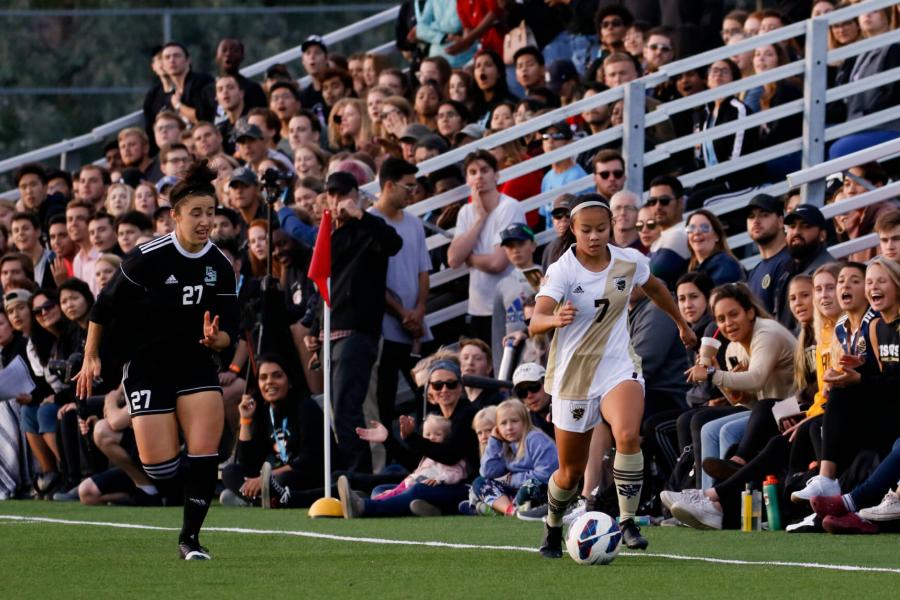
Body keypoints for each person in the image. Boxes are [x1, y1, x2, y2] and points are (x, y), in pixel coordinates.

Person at [75, 161, 239, 561]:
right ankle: (187, 477)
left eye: (211, 213)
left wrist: (218, 339)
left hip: (196, 365)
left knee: (204, 453)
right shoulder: (147, 257)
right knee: (160, 470)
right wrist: (91, 355)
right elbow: (102, 308)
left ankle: (191, 541)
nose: (205, 221)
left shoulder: (219, 264)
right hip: (147, 366)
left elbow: (230, 329)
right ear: (175, 216)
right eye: (196, 213)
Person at [530, 194, 696, 557]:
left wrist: (680, 323)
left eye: (601, 229)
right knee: (570, 473)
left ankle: (627, 521)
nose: (594, 236)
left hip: (618, 365)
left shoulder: (629, 260)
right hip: (573, 376)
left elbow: (656, 287)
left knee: (627, 434)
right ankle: (554, 526)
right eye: (586, 230)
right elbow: (536, 319)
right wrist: (553, 319)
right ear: (573, 230)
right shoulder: (563, 270)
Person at [303, 172, 402, 474]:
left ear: (356, 194)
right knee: (340, 410)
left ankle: (365, 476)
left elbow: (393, 243)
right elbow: (321, 289)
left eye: (342, 193)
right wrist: (313, 328)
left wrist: (361, 216)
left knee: (353, 407)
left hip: (358, 333)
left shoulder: (368, 228)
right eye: (331, 194)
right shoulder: (327, 233)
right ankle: (353, 473)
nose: (337, 199)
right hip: (331, 333)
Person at [339, 359, 480, 517]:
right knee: (381, 489)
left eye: (451, 384)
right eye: (438, 385)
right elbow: (416, 462)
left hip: (467, 488)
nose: (444, 389)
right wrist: (388, 440)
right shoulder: (436, 418)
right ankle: (431, 508)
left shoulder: (467, 413)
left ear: (460, 388)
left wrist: (412, 438)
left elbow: (450, 456)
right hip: (435, 484)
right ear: (430, 392)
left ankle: (365, 507)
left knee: (418, 490)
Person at [368, 158, 433, 431]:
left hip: (415, 325)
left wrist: (418, 310)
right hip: (385, 326)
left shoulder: (414, 223)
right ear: (389, 185)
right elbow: (370, 280)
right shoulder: (369, 221)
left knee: (429, 392)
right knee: (383, 399)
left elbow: (423, 270)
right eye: (408, 187)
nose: (412, 193)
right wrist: (401, 311)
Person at [220, 354, 329, 508]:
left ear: (289, 381)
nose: (269, 382)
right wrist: (245, 420)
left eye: (277, 376)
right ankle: (265, 499)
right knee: (230, 472)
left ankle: (253, 498)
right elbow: (248, 464)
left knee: (283, 479)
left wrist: (265, 479)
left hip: (308, 474)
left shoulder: (306, 407)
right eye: (263, 378)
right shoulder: (263, 412)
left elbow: (308, 460)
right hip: (276, 477)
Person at [447, 150, 526, 344]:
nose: (479, 176)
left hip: (509, 308)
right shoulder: (466, 212)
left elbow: (497, 263)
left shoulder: (510, 207)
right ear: (467, 179)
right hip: (477, 308)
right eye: (472, 172)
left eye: (484, 170)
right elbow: (454, 259)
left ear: (496, 175)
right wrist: (479, 219)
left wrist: (470, 257)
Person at [462, 399, 558, 516]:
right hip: (516, 489)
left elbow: (545, 475)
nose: (509, 427)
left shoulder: (536, 439)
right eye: (503, 423)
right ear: (497, 427)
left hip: (544, 488)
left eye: (514, 421)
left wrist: (511, 480)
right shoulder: (502, 442)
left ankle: (495, 509)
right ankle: (511, 510)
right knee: (479, 482)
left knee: (527, 489)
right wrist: (494, 441)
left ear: (525, 421)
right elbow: (488, 472)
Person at [774, 204, 836, 329]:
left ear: (822, 235)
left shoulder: (828, 271)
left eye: (805, 226)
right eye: (792, 226)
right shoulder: (787, 270)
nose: (796, 232)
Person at [491, 223, 541, 375]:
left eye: (520, 244)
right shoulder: (502, 285)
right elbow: (498, 330)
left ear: (533, 245)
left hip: (543, 350)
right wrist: (500, 371)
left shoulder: (549, 276)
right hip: (513, 356)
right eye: (509, 246)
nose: (515, 250)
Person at [745, 194, 792, 314]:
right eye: (751, 217)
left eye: (764, 215)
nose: (756, 221)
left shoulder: (790, 262)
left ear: (781, 221)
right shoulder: (755, 272)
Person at [647, 175, 691, 290]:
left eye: (664, 201)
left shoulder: (681, 233)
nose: (658, 207)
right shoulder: (660, 238)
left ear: (681, 202)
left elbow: (653, 275)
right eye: (652, 202)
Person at [686, 210, 745, 285]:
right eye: (692, 228)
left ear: (717, 236)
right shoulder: (695, 269)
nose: (697, 232)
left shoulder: (725, 265)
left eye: (705, 227)